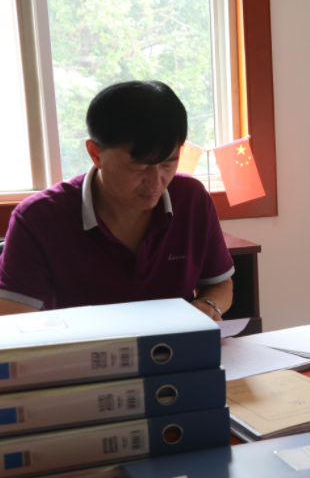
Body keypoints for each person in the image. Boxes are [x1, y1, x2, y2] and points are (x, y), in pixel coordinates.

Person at [0, 81, 234, 319]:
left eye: (167, 164)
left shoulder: (191, 198)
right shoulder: (39, 218)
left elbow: (221, 284)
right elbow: (12, 320)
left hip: (175, 342)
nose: (155, 182)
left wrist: (208, 305)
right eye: (139, 166)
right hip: (84, 343)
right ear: (96, 153)